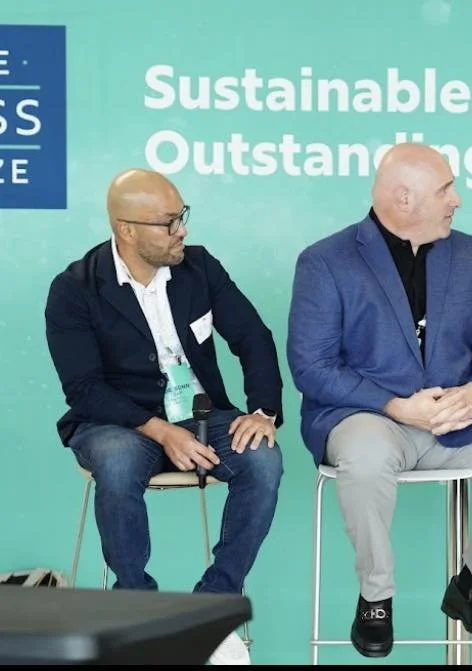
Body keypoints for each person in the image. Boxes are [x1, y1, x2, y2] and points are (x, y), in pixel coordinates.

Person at [287, 143, 472, 658]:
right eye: (445, 189)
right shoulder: (326, 261)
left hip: (458, 421)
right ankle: (376, 596)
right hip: (367, 419)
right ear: (403, 198)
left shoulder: (470, 253)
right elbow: (312, 367)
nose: (456, 200)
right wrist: (396, 406)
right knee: (367, 459)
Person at [45, 169, 285, 666]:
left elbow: (253, 338)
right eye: (169, 222)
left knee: (262, 458)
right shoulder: (74, 289)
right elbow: (84, 389)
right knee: (114, 462)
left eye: (182, 217)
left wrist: (263, 411)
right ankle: (139, 611)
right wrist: (158, 430)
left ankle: (211, 609)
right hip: (119, 421)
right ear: (126, 229)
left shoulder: (199, 268)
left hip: (200, 414)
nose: (182, 231)